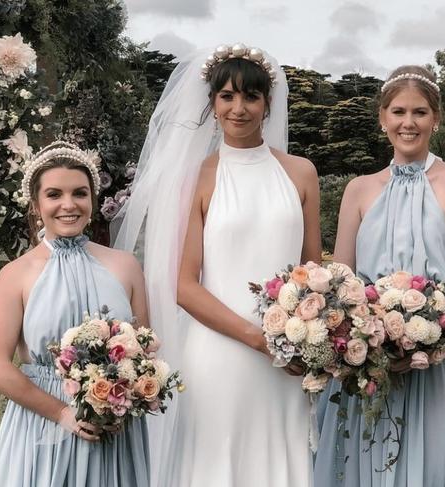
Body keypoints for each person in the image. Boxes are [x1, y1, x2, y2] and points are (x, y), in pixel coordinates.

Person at [114, 44, 321, 487]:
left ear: (268, 104)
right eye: (227, 96)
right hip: (222, 355)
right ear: (212, 104)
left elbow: (313, 272)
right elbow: (183, 286)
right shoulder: (198, 177)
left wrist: (300, 340)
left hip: (287, 361)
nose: (238, 108)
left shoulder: (301, 173)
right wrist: (260, 340)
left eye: (250, 97)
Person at [314, 65, 445, 487]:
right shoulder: (359, 189)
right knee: (365, 460)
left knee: (435, 460)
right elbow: (341, 278)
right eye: (398, 111)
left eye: (420, 112)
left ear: (436, 118)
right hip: (370, 357)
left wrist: (433, 330)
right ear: (382, 118)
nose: (408, 122)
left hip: (440, 356)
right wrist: (368, 337)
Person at [0, 141, 150, 486]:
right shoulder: (17, 274)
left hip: (113, 425)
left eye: (80, 193)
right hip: (42, 423)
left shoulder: (125, 266)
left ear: (93, 200)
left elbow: (144, 348)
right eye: (54, 194)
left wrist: (125, 394)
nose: (68, 205)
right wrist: (61, 413)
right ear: (36, 205)